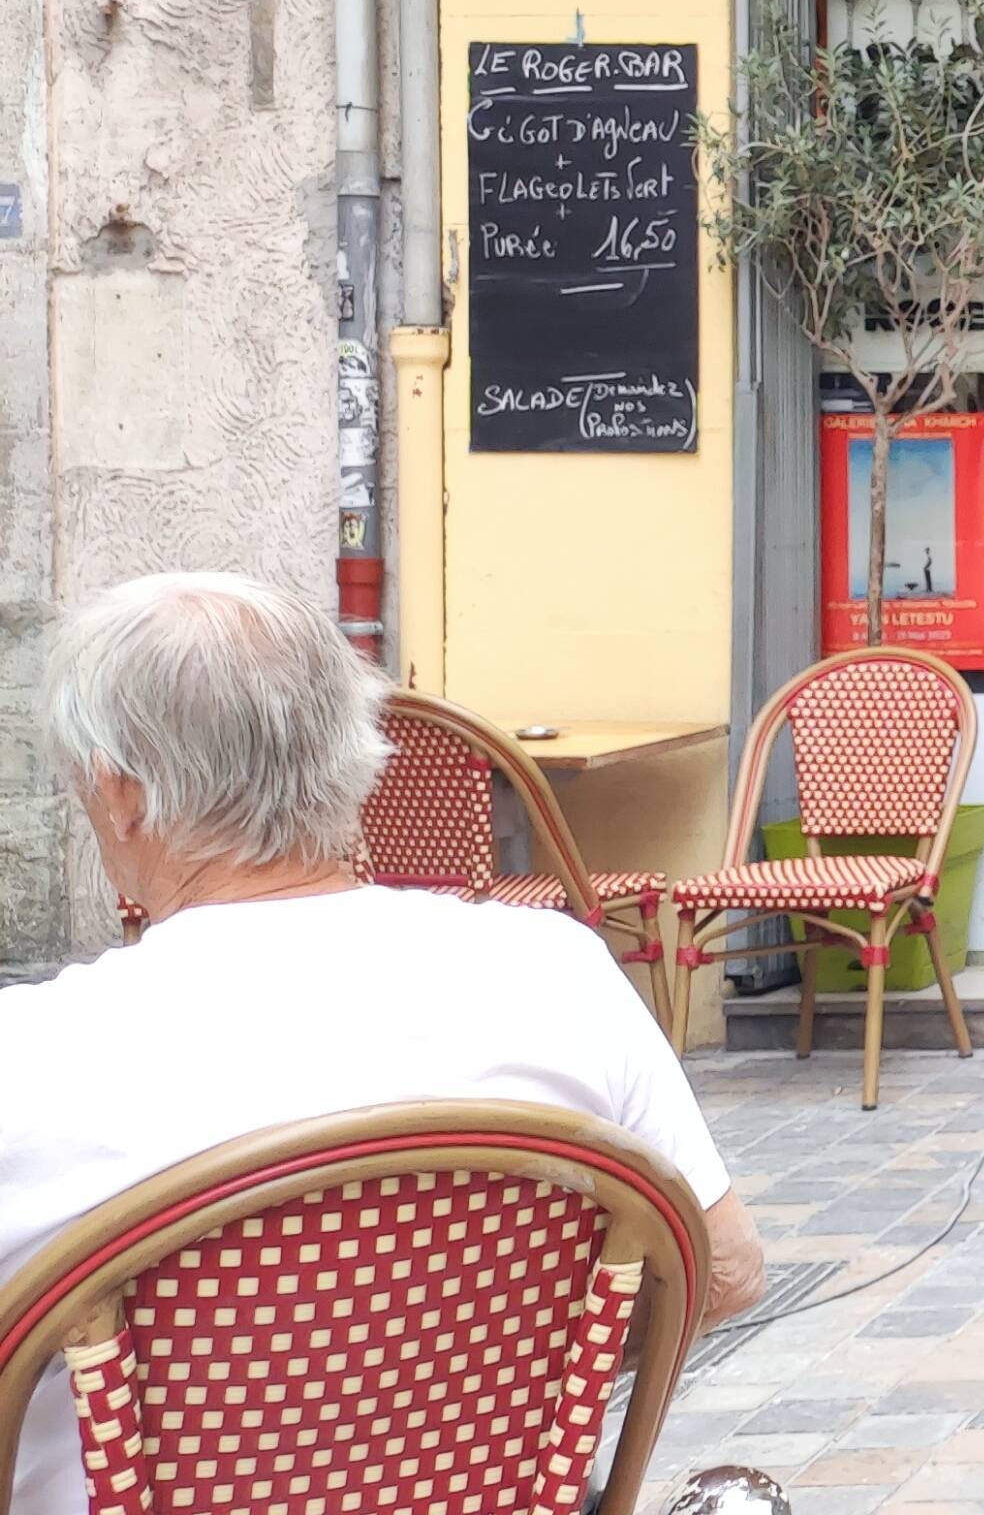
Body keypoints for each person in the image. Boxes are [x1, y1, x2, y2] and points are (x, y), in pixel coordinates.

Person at [0, 573, 767, 1512]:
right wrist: (432, 1403)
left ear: (119, 793)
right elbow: (723, 1274)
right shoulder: (558, 973)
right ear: (354, 757)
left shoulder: (28, 1059)